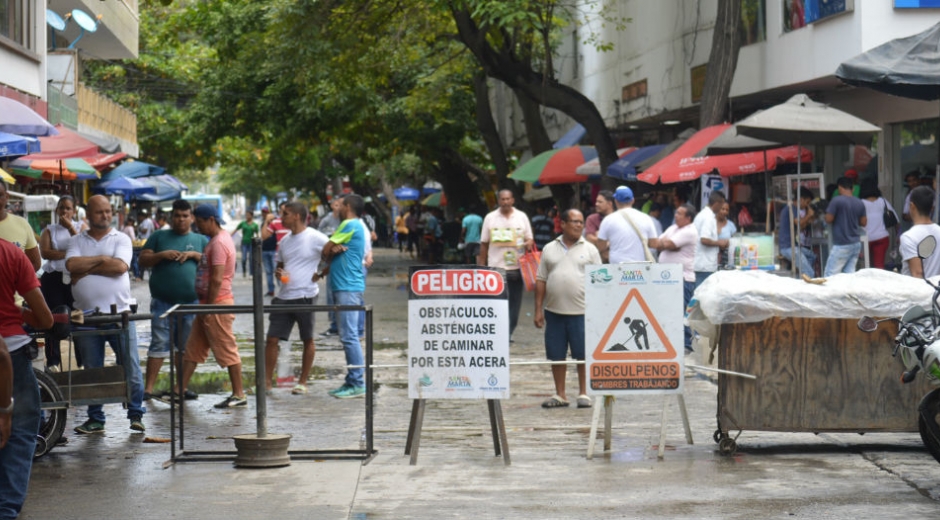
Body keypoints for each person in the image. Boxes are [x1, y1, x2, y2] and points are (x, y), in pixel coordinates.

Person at [66, 195, 146, 434]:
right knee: (92, 369)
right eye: (99, 212)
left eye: (108, 211)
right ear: (88, 215)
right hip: (86, 317)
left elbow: (120, 267)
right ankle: (96, 418)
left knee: (130, 365)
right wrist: (103, 260)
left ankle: (135, 414)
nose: (105, 215)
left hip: (119, 314)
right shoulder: (76, 240)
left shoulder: (121, 238)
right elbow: (71, 267)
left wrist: (87, 267)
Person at [0, 241, 52, 520]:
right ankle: (5, 510)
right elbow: (44, 318)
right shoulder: (11, 253)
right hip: (12, 350)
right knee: (19, 433)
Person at [138, 199, 208, 402]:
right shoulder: (159, 236)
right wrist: (161, 255)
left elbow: (214, 263)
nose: (181, 220)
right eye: (177, 216)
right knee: (158, 343)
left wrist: (196, 255)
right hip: (162, 301)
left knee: (185, 347)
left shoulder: (200, 240)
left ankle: (180, 388)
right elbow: (142, 259)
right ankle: (148, 389)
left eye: (185, 216)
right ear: (171, 217)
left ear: (192, 218)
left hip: (191, 302)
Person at [178, 204, 247, 409]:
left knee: (226, 348)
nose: (198, 227)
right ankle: (178, 389)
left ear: (210, 220)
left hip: (216, 304)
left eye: (199, 223)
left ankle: (239, 393)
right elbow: (211, 265)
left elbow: (217, 279)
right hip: (207, 304)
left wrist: (209, 308)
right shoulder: (217, 241)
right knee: (193, 348)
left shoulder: (218, 243)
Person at [534, 209, 600, 409]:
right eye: (574, 222)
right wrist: (538, 309)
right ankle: (560, 393)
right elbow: (541, 279)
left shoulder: (590, 250)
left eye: (581, 222)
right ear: (562, 224)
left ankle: (583, 393)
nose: (579, 225)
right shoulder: (549, 248)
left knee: (583, 354)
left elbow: (600, 281)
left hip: (581, 311)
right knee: (556, 354)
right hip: (554, 311)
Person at [265, 202, 330, 394]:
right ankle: (267, 382)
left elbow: (333, 255)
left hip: (306, 295)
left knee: (307, 339)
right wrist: (280, 273)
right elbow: (281, 264)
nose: (281, 217)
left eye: (285, 214)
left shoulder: (316, 237)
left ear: (297, 216)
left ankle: (303, 382)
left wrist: (320, 274)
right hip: (284, 296)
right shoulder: (284, 240)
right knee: (271, 339)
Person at [320, 194, 368, 399]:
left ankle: (357, 382)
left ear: (347, 207)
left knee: (349, 337)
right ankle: (352, 380)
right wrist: (333, 250)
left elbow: (324, 250)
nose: (336, 208)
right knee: (348, 335)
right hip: (346, 286)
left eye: (339, 205)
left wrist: (331, 249)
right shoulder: (353, 225)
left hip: (348, 287)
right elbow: (329, 250)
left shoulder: (349, 224)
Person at [479, 189, 534, 340]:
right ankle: (497, 331)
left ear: (513, 200)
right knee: (497, 303)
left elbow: (530, 238)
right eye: (502, 199)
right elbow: (484, 244)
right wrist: (481, 267)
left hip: (517, 268)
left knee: (514, 303)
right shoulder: (490, 218)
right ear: (498, 201)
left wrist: (528, 243)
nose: (505, 202)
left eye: (508, 199)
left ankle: (508, 332)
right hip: (496, 268)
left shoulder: (521, 217)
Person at [38, 195, 84, 368]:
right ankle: (53, 361)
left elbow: (84, 247)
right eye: (61, 207)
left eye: (68, 208)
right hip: (54, 277)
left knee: (78, 317)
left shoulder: (80, 227)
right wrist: (68, 254)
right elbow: (45, 253)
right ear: (57, 210)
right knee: (54, 317)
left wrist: (71, 228)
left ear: (74, 211)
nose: (64, 211)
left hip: (74, 277)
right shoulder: (49, 230)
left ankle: (82, 360)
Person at [650, 204, 698, 353]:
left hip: (683, 278)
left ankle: (685, 345)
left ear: (688, 218)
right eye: (676, 212)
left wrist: (668, 245)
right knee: (668, 311)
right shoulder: (673, 228)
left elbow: (668, 243)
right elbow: (657, 243)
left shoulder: (690, 231)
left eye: (680, 213)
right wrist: (667, 245)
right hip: (667, 277)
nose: (676, 215)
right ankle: (672, 343)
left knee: (681, 312)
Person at [596, 186, 658, 264]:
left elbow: (601, 247)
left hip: (617, 267)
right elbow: (654, 244)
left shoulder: (608, 220)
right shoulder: (646, 218)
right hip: (640, 268)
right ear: (633, 201)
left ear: (616, 201)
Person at [824, 177, 867, 276]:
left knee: (830, 275)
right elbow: (864, 222)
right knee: (849, 275)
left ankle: (832, 292)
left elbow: (828, 219)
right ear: (852, 189)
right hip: (856, 243)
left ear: (839, 188)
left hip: (842, 244)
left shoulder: (836, 200)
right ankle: (849, 292)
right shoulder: (859, 202)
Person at [900, 186, 940, 278]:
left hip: (920, 291)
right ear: (932, 208)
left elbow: (917, 274)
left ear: (912, 206)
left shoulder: (909, 237)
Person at [0, 182, 40, 271]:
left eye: (0, 195)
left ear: (7, 196)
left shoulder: (22, 224)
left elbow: (35, 263)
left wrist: (18, 279)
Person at [318, 198, 343, 337]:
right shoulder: (327, 220)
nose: (338, 207)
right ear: (332, 205)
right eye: (336, 204)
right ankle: (334, 324)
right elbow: (319, 235)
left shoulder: (346, 222)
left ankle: (341, 325)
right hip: (330, 258)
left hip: (342, 258)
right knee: (331, 293)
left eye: (341, 204)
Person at [860, 181, 898, 270]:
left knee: (865, 266)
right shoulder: (883, 201)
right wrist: (898, 235)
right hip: (882, 238)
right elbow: (896, 219)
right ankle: (880, 283)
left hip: (865, 239)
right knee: (879, 267)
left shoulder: (860, 203)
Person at [778, 189, 817, 276]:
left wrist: (808, 219)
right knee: (810, 272)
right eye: (807, 202)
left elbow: (801, 227)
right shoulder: (792, 209)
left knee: (812, 256)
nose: (807, 205)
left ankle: (802, 276)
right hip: (788, 247)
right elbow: (799, 223)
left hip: (792, 245)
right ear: (801, 199)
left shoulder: (793, 209)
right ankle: (806, 277)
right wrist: (808, 215)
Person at [693, 191, 728, 287]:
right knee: (702, 294)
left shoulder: (703, 215)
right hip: (704, 265)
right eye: (721, 205)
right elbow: (704, 239)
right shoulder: (708, 217)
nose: (721, 208)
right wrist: (719, 243)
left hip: (701, 263)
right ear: (717, 203)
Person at [261, 203, 290, 296]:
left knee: (290, 281)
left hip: (292, 257)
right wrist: (266, 221)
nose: (284, 213)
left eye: (286, 211)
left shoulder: (294, 222)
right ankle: (283, 296)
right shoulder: (276, 222)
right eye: (282, 210)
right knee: (281, 278)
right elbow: (264, 236)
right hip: (280, 257)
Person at [585, 190, 614, 260]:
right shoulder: (591, 219)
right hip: (597, 259)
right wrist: (610, 242)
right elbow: (589, 238)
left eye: (600, 202)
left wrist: (600, 239)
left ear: (610, 204)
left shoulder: (619, 218)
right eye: (596, 201)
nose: (596, 204)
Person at [260, 207, 278, 296]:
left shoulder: (275, 223)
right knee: (268, 272)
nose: (264, 214)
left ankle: (281, 289)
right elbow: (263, 236)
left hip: (274, 250)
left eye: (266, 212)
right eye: (263, 212)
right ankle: (271, 290)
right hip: (265, 250)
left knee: (277, 270)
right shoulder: (263, 224)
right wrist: (266, 222)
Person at [234, 211, 259, 277]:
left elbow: (257, 234)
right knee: (244, 258)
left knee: (251, 259)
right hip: (244, 243)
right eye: (246, 215)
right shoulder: (243, 223)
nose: (247, 216)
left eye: (248, 215)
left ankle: (251, 273)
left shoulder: (254, 225)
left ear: (251, 216)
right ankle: (244, 271)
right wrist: (229, 236)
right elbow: (236, 229)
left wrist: (258, 242)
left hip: (251, 243)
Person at [716, 201, 737, 268]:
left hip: (726, 260)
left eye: (727, 210)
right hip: (711, 258)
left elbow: (735, 242)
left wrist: (728, 242)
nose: (725, 212)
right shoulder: (710, 223)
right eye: (722, 209)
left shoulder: (731, 225)